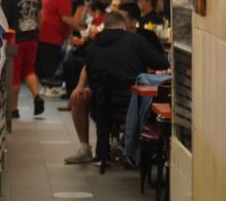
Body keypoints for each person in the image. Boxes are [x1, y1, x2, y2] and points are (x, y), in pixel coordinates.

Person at [63, 11, 169, 164]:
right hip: (133, 103)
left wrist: (80, 86)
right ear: (123, 25)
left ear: (104, 27)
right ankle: (136, 149)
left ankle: (86, 148)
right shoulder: (135, 40)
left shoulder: (92, 45)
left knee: (79, 97)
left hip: (101, 104)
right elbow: (162, 63)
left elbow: (88, 68)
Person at [0, 0, 45, 119]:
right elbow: (41, 16)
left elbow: (3, 20)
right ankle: (36, 96)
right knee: (29, 70)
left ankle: (14, 109)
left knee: (15, 74)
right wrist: (37, 31)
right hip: (33, 38)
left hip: (16, 39)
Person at [37, 0, 80, 84]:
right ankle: (49, 86)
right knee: (50, 67)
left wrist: (68, 36)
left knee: (45, 64)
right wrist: (82, 30)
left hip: (43, 34)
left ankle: (45, 85)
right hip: (51, 36)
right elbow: (66, 19)